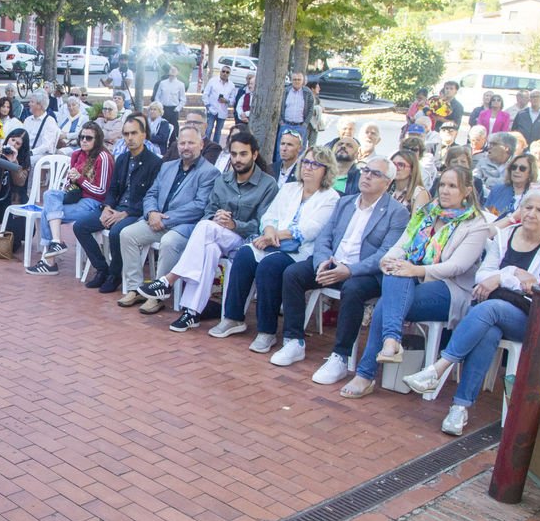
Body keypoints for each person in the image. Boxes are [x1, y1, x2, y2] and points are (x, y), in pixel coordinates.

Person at [403, 186, 540, 435]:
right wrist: (512, 274)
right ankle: (459, 408)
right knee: (489, 331)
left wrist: (502, 277)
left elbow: (537, 286)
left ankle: (439, 368)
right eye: (528, 207)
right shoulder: (505, 237)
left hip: (530, 317)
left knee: (490, 309)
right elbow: (483, 275)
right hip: (492, 312)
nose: (531, 214)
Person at [338, 166, 491, 398]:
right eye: (442, 185)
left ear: (467, 191)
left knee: (387, 302)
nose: (446, 191)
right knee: (394, 277)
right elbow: (401, 245)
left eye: (453, 186)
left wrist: (415, 269)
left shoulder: (475, 224)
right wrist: (388, 261)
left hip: (449, 289)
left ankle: (368, 371)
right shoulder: (426, 213)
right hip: (412, 281)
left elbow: (457, 266)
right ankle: (389, 342)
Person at [274, 157, 409, 375]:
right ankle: (293, 340)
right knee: (293, 273)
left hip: (364, 273)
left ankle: (341, 356)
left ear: (388, 182)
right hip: (332, 263)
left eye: (375, 174)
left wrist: (349, 270)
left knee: (353, 289)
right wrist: (322, 262)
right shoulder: (346, 202)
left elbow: (385, 254)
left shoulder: (397, 213)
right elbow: (324, 238)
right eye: (365, 170)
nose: (366, 176)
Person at [137, 132, 279, 332]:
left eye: (243, 154)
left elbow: (263, 223)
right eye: (234, 154)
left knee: (204, 228)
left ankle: (168, 280)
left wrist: (234, 224)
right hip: (217, 235)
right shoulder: (224, 180)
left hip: (246, 242)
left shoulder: (267, 184)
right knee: (209, 248)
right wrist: (216, 218)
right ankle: (191, 313)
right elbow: (208, 211)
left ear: (254, 155)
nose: (237, 159)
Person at [209, 146, 340, 353]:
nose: (308, 168)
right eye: (306, 162)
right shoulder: (290, 189)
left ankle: (266, 331)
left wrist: (274, 237)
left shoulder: (330, 197)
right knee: (244, 254)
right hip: (272, 241)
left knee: (269, 266)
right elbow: (269, 216)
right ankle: (233, 317)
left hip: (300, 251)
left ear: (326, 170)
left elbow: (311, 229)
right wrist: (269, 231)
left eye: (315, 164)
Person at [114, 127, 220, 311]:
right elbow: (151, 194)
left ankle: (158, 294)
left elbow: (199, 205)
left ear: (201, 145)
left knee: (169, 242)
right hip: (157, 220)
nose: (186, 147)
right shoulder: (167, 166)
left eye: (191, 143)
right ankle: (135, 288)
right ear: (177, 144)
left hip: (185, 227)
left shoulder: (210, 172)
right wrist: (152, 213)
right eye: (182, 143)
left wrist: (165, 219)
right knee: (127, 234)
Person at [75, 116, 163, 293]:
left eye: (134, 133)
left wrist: (125, 214)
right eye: (126, 134)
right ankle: (102, 268)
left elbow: (151, 196)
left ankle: (115, 275)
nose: (129, 138)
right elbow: (113, 189)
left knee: (117, 232)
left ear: (143, 135)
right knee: (80, 226)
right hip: (116, 207)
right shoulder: (122, 159)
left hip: (136, 212)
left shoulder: (155, 162)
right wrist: (107, 207)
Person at [26, 122, 114, 275]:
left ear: (97, 139)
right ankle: (56, 242)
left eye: (88, 138)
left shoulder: (103, 157)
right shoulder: (76, 154)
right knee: (49, 195)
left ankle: (50, 261)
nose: (84, 140)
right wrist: (71, 180)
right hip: (76, 197)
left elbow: (102, 191)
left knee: (49, 212)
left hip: (94, 203)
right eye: (81, 137)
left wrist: (79, 179)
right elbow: (69, 184)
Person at [483, 153, 537, 219]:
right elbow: (485, 214)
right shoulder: (497, 190)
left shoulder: (534, 195)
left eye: (522, 168)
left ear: (530, 172)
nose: (516, 171)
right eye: (514, 167)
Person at [201, 65, 236, 144]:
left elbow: (233, 100)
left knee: (218, 132)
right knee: (208, 130)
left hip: (222, 111)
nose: (225, 73)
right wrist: (208, 106)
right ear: (220, 72)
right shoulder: (213, 81)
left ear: (229, 74)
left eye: (227, 72)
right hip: (212, 110)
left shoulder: (231, 85)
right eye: (223, 71)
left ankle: (215, 148)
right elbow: (205, 94)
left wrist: (226, 101)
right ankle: (205, 146)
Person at [24, 89, 61, 161]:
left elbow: (46, 146)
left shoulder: (49, 122)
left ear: (39, 105)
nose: (29, 104)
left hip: (41, 156)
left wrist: (31, 152)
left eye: (32, 102)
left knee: (28, 161)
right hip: (26, 153)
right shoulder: (28, 120)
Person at [279, 72, 315, 144]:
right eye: (295, 79)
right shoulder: (285, 91)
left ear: (303, 81)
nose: (297, 81)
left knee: (300, 150)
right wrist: (281, 121)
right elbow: (278, 107)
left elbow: (311, 109)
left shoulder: (307, 92)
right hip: (285, 125)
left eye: (299, 80)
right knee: (282, 150)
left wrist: (305, 124)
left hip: (300, 126)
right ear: (291, 80)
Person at [153, 64, 186, 140]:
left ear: (178, 72)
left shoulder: (180, 85)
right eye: (171, 69)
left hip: (173, 109)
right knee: (162, 126)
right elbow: (157, 96)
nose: (172, 71)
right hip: (163, 108)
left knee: (174, 129)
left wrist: (177, 108)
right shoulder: (162, 83)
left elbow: (183, 99)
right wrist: (159, 106)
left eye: (174, 70)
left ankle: (173, 144)